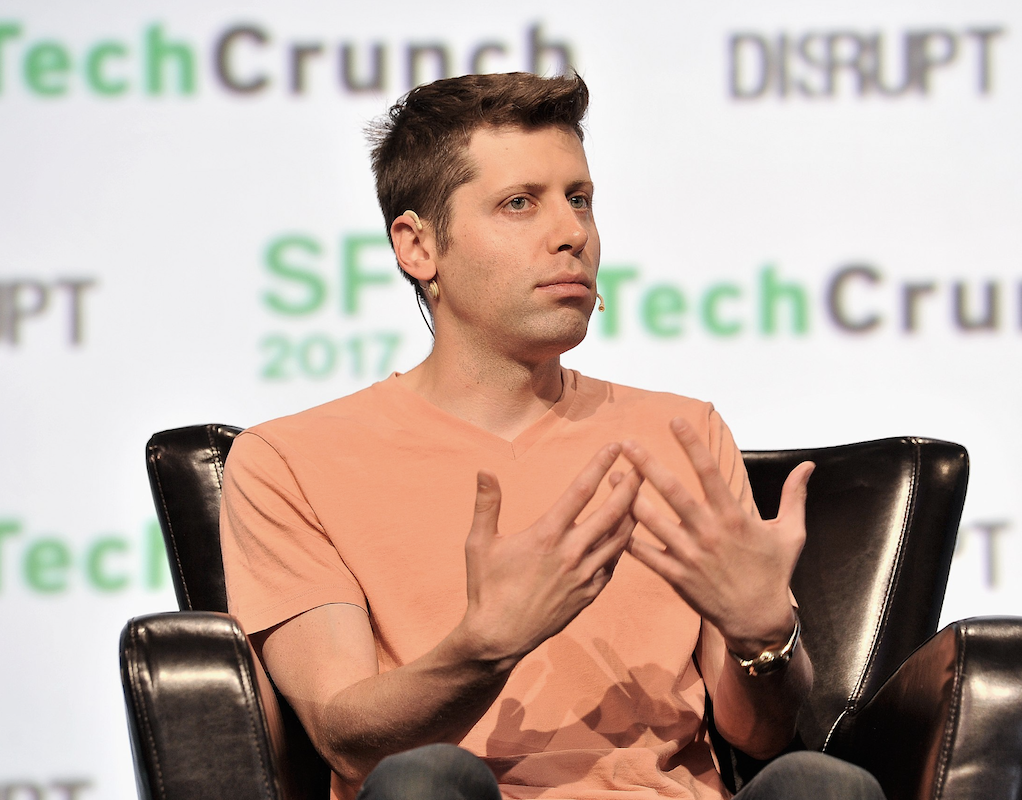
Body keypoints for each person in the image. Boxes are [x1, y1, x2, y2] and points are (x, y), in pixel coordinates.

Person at [219, 72, 884, 800]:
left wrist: (765, 642)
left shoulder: (680, 432)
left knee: (823, 785)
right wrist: (483, 649)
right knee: (426, 781)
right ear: (416, 247)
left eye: (580, 200)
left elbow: (758, 733)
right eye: (518, 204)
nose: (570, 233)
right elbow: (344, 739)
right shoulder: (291, 460)